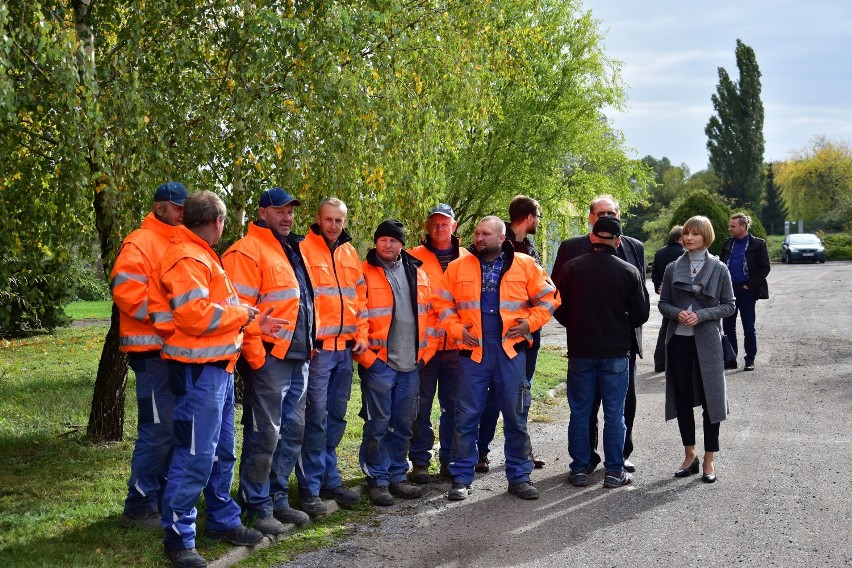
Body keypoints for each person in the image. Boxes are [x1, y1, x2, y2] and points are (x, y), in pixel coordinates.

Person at [150, 190, 284, 568]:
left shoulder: (202, 253)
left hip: (218, 371)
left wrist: (254, 320)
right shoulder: (186, 256)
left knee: (222, 451)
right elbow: (194, 315)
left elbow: (220, 310)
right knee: (194, 456)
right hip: (198, 374)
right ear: (217, 222)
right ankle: (178, 538)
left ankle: (222, 521)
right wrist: (242, 315)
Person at [434, 216, 559, 501]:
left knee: (516, 416)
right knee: (466, 417)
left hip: (510, 353)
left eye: (485, 234)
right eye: (477, 233)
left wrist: (531, 323)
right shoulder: (457, 267)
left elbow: (551, 298)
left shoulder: (525, 265)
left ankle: (519, 476)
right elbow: (440, 302)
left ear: (502, 238)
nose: (478, 238)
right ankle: (461, 478)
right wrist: (454, 328)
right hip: (473, 354)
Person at [222, 188, 316, 534]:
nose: (287, 217)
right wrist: (258, 360)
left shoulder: (290, 249)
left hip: (298, 356)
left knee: (292, 432)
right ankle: (256, 504)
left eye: (291, 211)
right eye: (280, 211)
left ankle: (277, 499)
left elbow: (301, 302)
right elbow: (241, 313)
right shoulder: (246, 251)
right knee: (266, 434)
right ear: (262, 213)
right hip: (270, 360)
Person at [551, 195, 649, 474]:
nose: (608, 215)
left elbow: (639, 300)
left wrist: (618, 326)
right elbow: (556, 297)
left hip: (622, 344)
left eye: (613, 212)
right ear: (591, 218)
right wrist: (578, 324)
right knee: (589, 409)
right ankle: (592, 461)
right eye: (602, 212)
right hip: (585, 342)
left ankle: (617, 457)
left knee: (622, 405)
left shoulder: (635, 248)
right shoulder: (571, 250)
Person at [112, 181, 186, 530]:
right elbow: (125, 290)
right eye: (177, 207)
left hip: (175, 351)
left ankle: (162, 499)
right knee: (157, 429)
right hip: (150, 351)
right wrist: (167, 318)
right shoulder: (139, 242)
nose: (183, 213)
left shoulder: (181, 240)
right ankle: (139, 505)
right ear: (160, 208)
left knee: (173, 429)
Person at [355, 219, 438, 506]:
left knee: (404, 424)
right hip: (380, 364)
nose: (388, 245)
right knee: (378, 424)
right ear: (376, 242)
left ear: (402, 243)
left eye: (393, 240)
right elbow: (357, 316)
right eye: (383, 240)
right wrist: (369, 360)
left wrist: (423, 356)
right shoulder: (363, 272)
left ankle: (396, 475)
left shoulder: (417, 271)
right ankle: (377, 479)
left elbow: (431, 315)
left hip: (411, 365)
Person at [295, 198, 367, 513]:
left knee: (336, 417)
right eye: (329, 219)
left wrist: (361, 335)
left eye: (339, 220)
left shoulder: (350, 253)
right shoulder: (302, 249)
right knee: (315, 419)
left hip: (345, 352)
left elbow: (360, 299)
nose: (334, 226)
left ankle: (330, 478)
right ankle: (310, 489)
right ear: (318, 219)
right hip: (319, 351)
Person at [659, 215, 735, 484]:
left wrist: (701, 315)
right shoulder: (672, 268)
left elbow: (729, 305)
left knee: (711, 400)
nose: (688, 238)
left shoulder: (719, 268)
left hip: (708, 342)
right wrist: (679, 313)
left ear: (706, 236)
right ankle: (689, 455)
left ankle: (709, 459)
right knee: (682, 399)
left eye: (695, 234)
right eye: (686, 234)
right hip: (678, 341)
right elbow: (663, 304)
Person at [476, 195, 546, 472]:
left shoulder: (529, 248)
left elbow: (544, 291)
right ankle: (481, 451)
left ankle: (521, 453)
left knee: (520, 396)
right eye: (538, 217)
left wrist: (532, 323)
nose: (538, 222)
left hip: (528, 336)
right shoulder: (497, 246)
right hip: (497, 339)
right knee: (493, 396)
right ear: (529, 218)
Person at [407, 203, 470, 483]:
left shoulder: (469, 259)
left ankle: (450, 460)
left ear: (454, 226)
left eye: (444, 223)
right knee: (419, 406)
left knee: (455, 407)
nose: (439, 227)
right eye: (434, 223)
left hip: (458, 347)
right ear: (427, 226)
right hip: (424, 347)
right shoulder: (412, 258)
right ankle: (420, 460)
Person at [719, 213, 770, 371]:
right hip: (728, 292)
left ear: (743, 226)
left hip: (747, 291)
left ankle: (750, 359)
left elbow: (764, 268)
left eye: (733, 226)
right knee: (728, 327)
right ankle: (730, 358)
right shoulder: (728, 244)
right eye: (730, 226)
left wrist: (750, 285)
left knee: (748, 326)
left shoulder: (758, 244)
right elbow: (720, 266)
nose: (730, 228)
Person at [652, 225, 685, 372]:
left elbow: (655, 274)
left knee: (665, 329)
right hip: (680, 296)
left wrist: (660, 288)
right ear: (680, 238)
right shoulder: (684, 254)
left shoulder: (659, 253)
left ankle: (660, 362)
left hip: (665, 295)